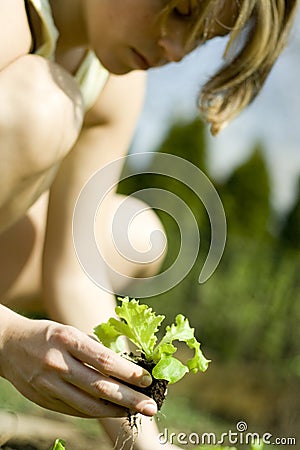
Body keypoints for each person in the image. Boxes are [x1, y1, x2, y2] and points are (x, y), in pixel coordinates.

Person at [0, 0, 297, 449]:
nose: (177, 51)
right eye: (179, 11)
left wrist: (143, 437)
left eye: (201, 38)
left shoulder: (114, 83)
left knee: (134, 233)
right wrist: (6, 337)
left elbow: (75, 275)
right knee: (43, 106)